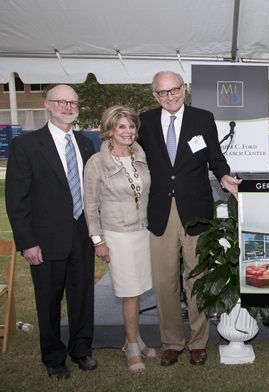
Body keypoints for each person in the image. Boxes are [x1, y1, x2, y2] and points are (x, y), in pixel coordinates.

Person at [137, 71, 241, 367]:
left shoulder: (202, 118)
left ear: (185, 89)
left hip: (196, 211)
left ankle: (198, 342)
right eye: (163, 93)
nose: (170, 97)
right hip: (160, 211)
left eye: (175, 90)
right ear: (154, 95)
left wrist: (224, 176)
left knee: (197, 279)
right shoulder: (144, 121)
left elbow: (215, 157)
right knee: (164, 281)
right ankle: (171, 342)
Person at [5, 85, 97, 379]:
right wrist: (27, 242)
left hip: (82, 235)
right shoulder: (27, 145)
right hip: (45, 241)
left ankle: (81, 349)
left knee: (82, 296)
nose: (68, 107)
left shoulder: (85, 144)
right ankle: (54, 357)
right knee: (49, 301)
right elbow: (16, 200)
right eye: (61, 101)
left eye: (73, 102)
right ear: (47, 105)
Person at [83, 105, 155, 373]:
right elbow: (89, 206)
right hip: (117, 235)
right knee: (129, 293)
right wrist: (98, 240)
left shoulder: (140, 156)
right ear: (109, 130)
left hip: (142, 232)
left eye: (132, 126)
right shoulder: (97, 162)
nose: (129, 131)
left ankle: (133, 340)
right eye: (122, 126)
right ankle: (133, 347)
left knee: (138, 291)